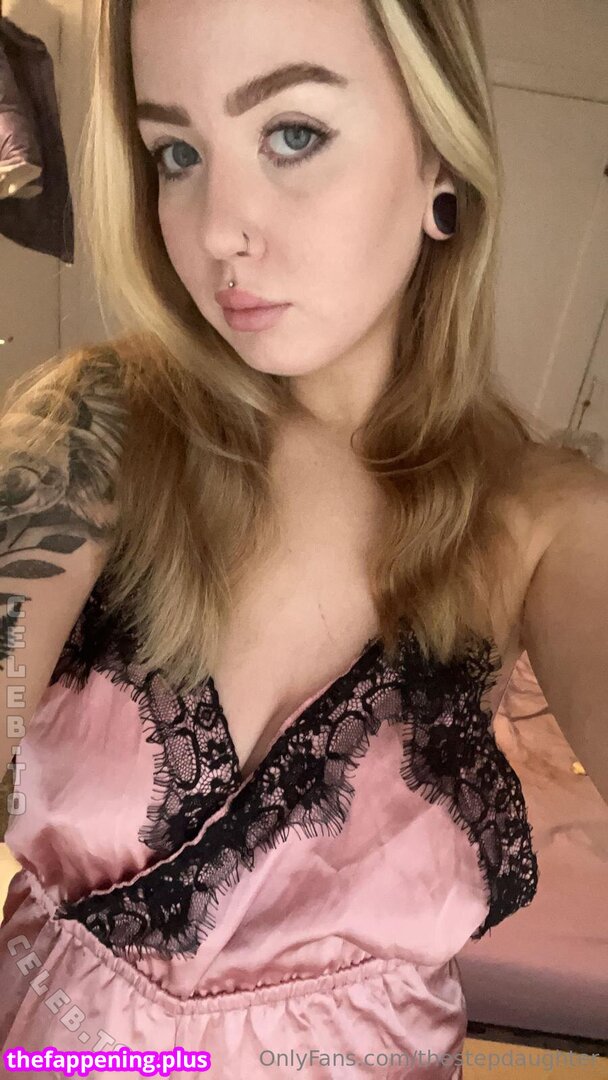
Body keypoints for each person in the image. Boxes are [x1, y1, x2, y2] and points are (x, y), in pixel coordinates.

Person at [0, 1, 606, 1077]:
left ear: (439, 156)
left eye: (292, 133)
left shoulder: (542, 517)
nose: (216, 230)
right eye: (177, 153)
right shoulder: (94, 429)